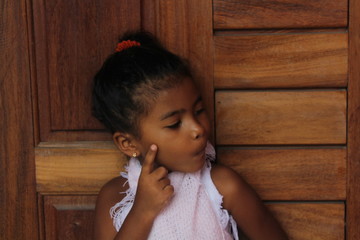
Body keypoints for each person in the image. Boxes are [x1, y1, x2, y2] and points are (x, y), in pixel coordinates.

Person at [92, 31, 288, 240]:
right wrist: (142, 211)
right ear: (128, 143)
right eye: (175, 124)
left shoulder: (222, 187)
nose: (198, 129)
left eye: (199, 111)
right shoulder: (113, 199)